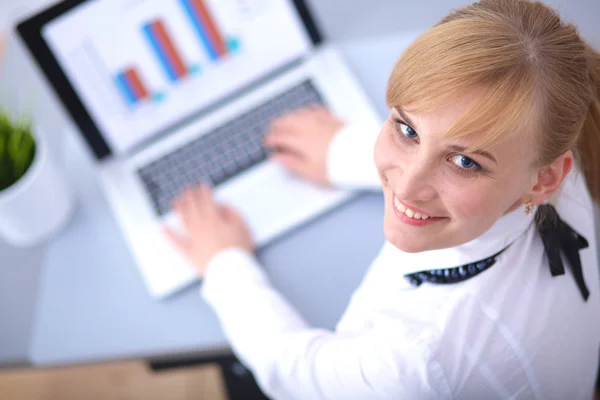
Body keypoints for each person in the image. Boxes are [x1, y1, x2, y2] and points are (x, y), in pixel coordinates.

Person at [163, 0, 600, 398]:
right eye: (406, 129)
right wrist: (341, 152)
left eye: (466, 163)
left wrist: (225, 266)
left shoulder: (416, 365)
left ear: (544, 180)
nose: (407, 188)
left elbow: (292, 372)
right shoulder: (555, 146)